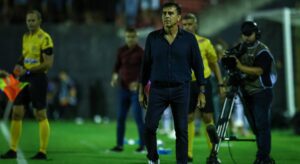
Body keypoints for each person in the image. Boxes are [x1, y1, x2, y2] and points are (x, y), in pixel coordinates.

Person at [139, 2, 206, 163]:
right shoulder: (152, 38)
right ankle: (153, 158)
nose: (166, 16)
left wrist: (202, 91)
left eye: (170, 13)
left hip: (181, 89)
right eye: (164, 13)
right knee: (149, 127)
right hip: (158, 89)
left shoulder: (189, 39)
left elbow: (198, 65)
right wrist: (141, 91)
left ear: (178, 17)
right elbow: (145, 65)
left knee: (181, 130)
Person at [0, 10, 54, 160]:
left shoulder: (45, 38)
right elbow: (25, 55)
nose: (30, 23)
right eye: (28, 20)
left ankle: (42, 151)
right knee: (16, 113)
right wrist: (16, 68)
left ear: (39, 21)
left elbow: (48, 64)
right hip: (24, 78)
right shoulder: (26, 36)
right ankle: (12, 149)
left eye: (33, 20)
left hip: (37, 79)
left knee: (40, 114)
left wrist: (27, 71)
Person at [181, 13, 225, 162]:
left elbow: (214, 64)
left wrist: (220, 83)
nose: (187, 27)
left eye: (189, 24)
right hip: (186, 84)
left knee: (208, 117)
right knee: (188, 117)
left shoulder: (205, 42)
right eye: (184, 24)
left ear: (196, 25)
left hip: (203, 83)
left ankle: (214, 153)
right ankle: (188, 153)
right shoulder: (177, 43)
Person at [233, 21, 276, 164]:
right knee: (255, 126)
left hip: (261, 92)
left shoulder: (263, 50)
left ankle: (263, 157)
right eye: (244, 34)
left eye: (249, 34)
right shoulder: (241, 48)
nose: (246, 37)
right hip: (246, 92)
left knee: (261, 125)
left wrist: (238, 65)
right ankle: (263, 156)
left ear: (256, 34)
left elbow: (258, 71)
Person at [110, 27, 145, 153]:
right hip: (123, 88)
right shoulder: (121, 50)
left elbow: (146, 71)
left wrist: (139, 83)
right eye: (128, 37)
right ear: (125, 37)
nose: (130, 39)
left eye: (132, 37)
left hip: (136, 91)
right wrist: (114, 77)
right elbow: (117, 66)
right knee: (120, 118)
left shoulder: (141, 52)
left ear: (137, 37)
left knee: (138, 118)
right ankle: (119, 145)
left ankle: (143, 145)